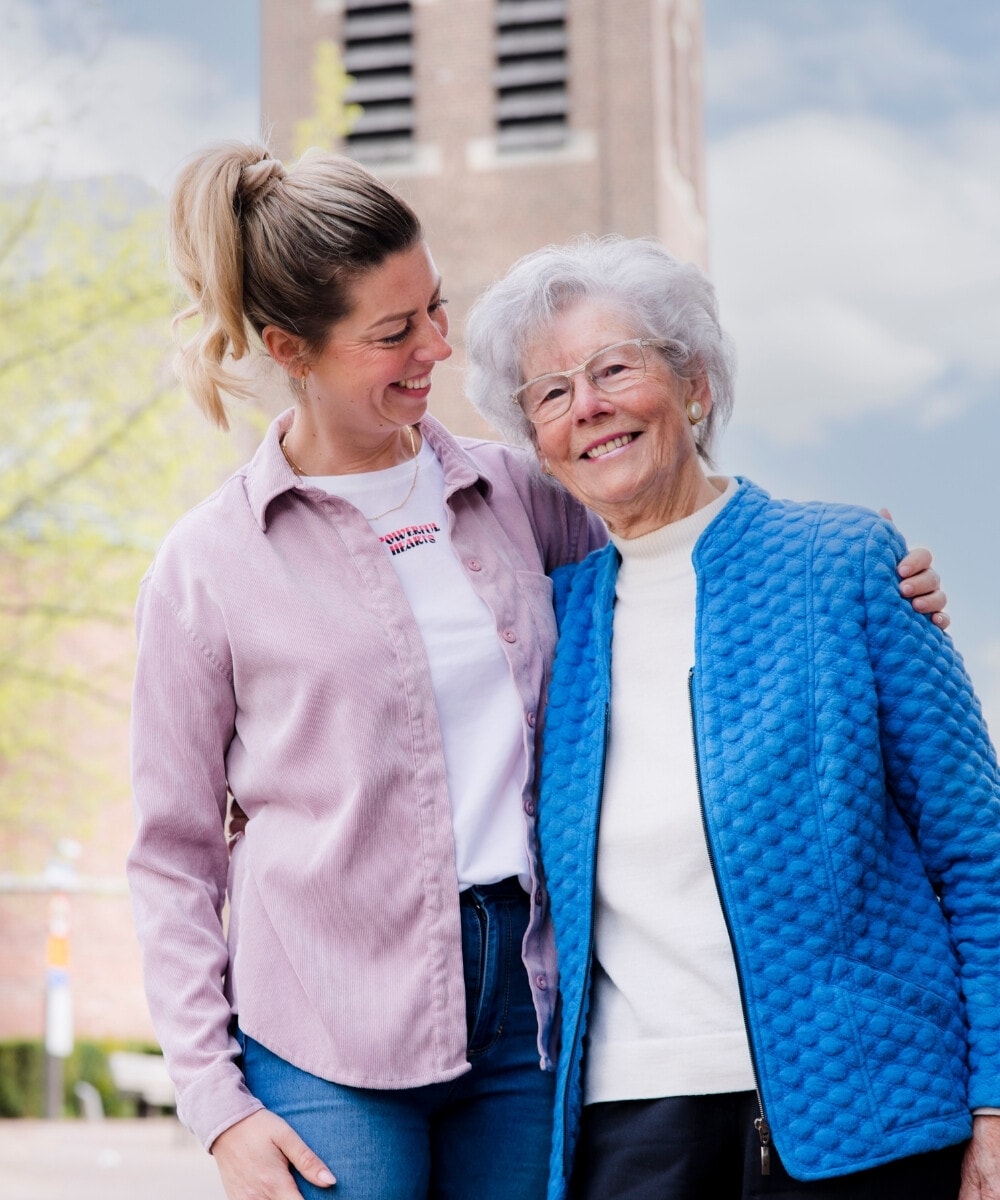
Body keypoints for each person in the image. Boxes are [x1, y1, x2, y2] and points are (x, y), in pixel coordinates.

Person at [126, 141, 945, 1200]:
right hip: (324, 1016)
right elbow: (170, 854)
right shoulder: (209, 564)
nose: (437, 347)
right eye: (392, 334)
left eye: (434, 307)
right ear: (292, 347)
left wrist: (848, 567)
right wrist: (217, 1104)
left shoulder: (518, 493)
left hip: (535, 1005)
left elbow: (674, 542)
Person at [463, 234, 1000, 1200]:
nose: (586, 406)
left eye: (613, 367)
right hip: (633, 1128)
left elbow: (978, 853)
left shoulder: (842, 564)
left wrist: (998, 1104)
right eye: (549, 393)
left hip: (863, 1114)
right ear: (537, 441)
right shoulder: (555, 618)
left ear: (696, 382)